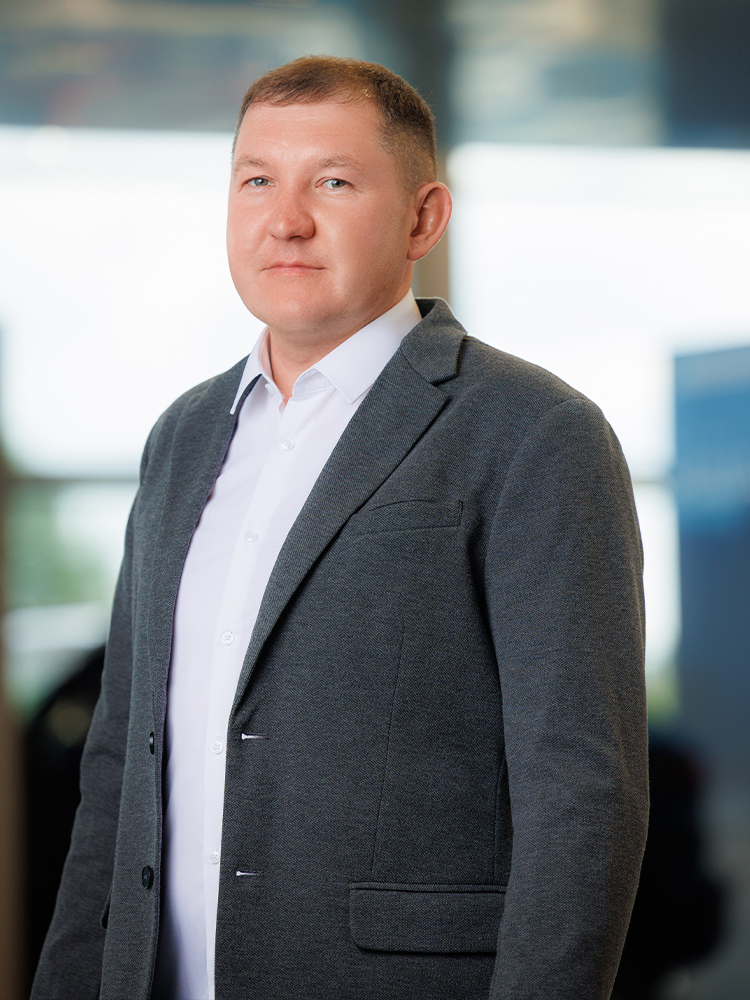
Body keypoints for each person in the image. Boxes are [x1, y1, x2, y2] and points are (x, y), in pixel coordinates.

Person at [31, 56, 649, 1000]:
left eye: (332, 182)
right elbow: (118, 766)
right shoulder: (181, 438)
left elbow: (583, 798)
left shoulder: (534, 432)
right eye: (256, 181)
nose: (285, 219)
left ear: (423, 219)